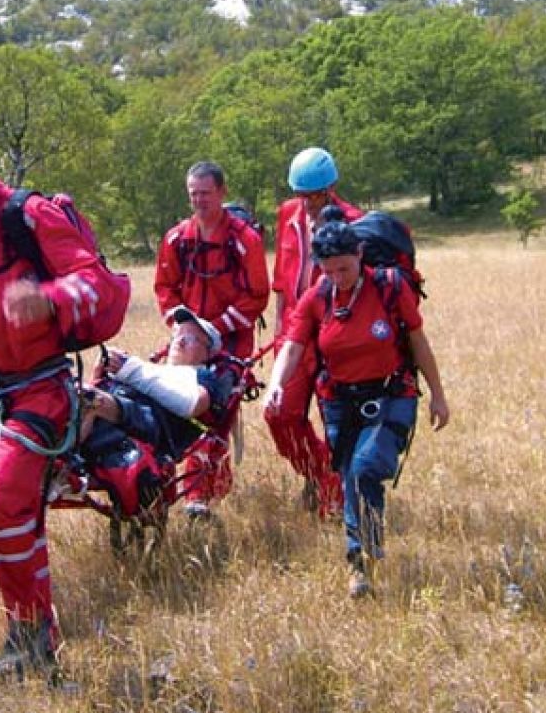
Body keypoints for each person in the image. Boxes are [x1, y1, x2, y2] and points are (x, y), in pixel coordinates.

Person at [0, 105, 131, 679]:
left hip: (41, 392)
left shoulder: (29, 217)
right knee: (17, 518)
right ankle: (34, 638)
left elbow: (98, 284)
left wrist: (49, 298)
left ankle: (29, 628)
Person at [262, 217, 450, 599]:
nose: (338, 277)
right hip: (340, 403)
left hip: (392, 395)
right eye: (329, 270)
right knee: (350, 480)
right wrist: (275, 385)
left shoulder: (390, 289)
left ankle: (366, 549)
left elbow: (418, 342)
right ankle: (360, 562)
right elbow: (294, 346)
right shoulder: (318, 296)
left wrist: (438, 394)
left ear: (360, 255)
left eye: (345, 268)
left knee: (365, 470)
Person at [154, 161, 268, 516]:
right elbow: (164, 288)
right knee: (173, 406)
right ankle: (204, 484)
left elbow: (256, 296)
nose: (199, 201)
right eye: (193, 194)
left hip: (232, 341)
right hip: (189, 341)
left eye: (205, 193)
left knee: (214, 410)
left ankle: (198, 497)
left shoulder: (243, 241)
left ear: (222, 192)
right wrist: (185, 327)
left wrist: (215, 329)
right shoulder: (177, 239)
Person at [267, 147, 364, 517]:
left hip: (332, 341)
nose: (306, 202)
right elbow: (282, 277)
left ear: (332, 188)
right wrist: (280, 334)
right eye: (300, 194)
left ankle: (337, 498)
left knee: (336, 424)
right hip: (293, 335)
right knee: (279, 415)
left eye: (314, 194)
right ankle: (322, 475)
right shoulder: (288, 215)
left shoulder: (354, 223)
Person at [79, 306, 239, 490]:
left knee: (92, 400)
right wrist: (99, 373)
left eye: (190, 339)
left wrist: (132, 370)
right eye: (177, 336)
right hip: (117, 414)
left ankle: (62, 467)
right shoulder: (153, 372)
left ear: (208, 353)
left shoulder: (202, 377)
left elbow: (193, 404)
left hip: (151, 425)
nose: (179, 343)